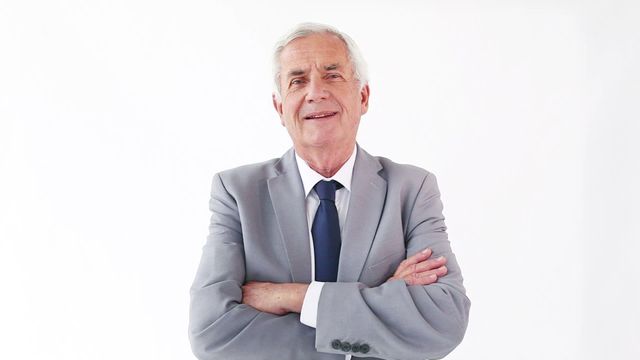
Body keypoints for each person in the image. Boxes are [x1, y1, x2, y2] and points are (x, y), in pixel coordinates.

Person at [189, 23, 470, 360]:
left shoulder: (411, 189)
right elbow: (211, 335)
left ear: (363, 96)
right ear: (280, 108)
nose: (315, 92)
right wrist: (379, 303)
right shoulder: (236, 192)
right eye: (297, 81)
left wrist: (292, 297)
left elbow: (443, 320)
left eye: (332, 75)